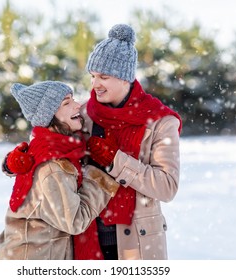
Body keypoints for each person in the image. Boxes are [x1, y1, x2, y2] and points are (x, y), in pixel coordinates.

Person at [75, 23, 183, 260]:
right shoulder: (82, 115)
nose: (95, 84)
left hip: (136, 243)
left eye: (104, 76)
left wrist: (116, 161)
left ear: (126, 78)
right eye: (92, 76)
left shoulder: (160, 122)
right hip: (85, 239)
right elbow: (50, 151)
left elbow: (166, 187)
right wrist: (17, 163)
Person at [0, 81, 119, 260]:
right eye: (66, 103)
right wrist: (99, 175)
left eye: (73, 99)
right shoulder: (53, 166)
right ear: (49, 116)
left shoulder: (48, 146)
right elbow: (75, 221)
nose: (77, 105)